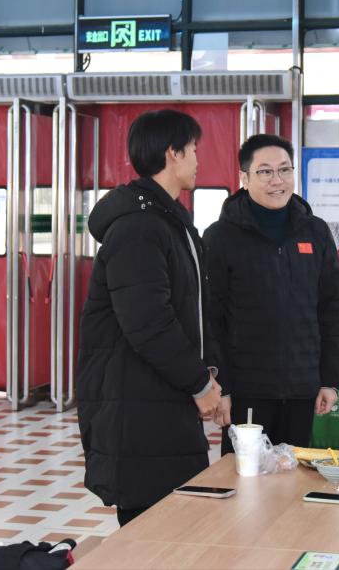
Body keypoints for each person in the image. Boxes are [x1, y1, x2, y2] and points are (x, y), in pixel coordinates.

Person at [76, 110, 222, 528]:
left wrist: (208, 375)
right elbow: (148, 323)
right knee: (151, 536)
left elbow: (192, 310)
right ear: (173, 153)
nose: (198, 159)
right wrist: (198, 383)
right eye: (193, 149)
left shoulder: (169, 221)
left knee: (177, 529)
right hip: (138, 406)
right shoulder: (139, 228)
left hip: (163, 398)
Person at [204, 134, 339, 450]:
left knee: (294, 474)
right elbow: (212, 318)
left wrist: (330, 380)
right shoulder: (221, 237)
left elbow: (330, 309)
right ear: (244, 178)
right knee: (245, 474)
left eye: (284, 170)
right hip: (246, 390)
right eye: (265, 171)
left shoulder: (316, 232)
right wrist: (221, 387)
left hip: (302, 388)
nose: (277, 180)